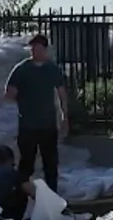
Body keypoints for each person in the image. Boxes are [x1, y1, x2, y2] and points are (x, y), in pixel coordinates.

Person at [4, 34, 68, 192]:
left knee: (50, 163)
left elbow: (61, 93)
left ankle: (52, 194)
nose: (35, 52)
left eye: (38, 48)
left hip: (48, 124)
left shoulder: (52, 69)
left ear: (45, 50)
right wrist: (24, 99)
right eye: (32, 49)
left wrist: (64, 115)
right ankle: (22, 195)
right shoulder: (21, 69)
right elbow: (9, 94)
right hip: (28, 125)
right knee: (26, 163)